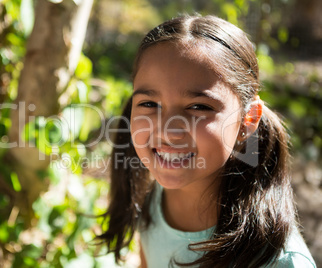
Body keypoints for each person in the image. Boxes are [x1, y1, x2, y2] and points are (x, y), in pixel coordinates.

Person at [96, 14, 316, 267]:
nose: (168, 132)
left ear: (248, 119)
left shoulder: (280, 262)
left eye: (198, 107)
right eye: (149, 103)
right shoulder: (152, 198)